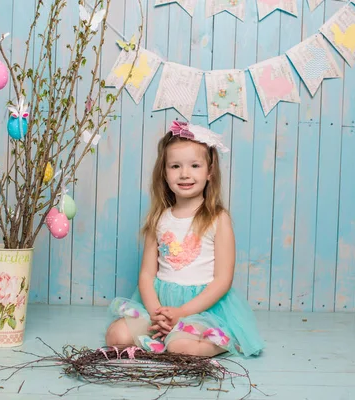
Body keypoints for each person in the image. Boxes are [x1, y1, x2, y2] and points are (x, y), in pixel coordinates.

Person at [105, 120, 264, 357]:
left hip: (201, 307)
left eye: (195, 166)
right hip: (161, 305)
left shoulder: (217, 219)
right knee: (116, 337)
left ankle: (219, 339)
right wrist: (157, 313)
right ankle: (164, 333)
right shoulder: (159, 218)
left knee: (181, 347)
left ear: (210, 172)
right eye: (175, 166)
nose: (185, 174)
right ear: (165, 172)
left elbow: (222, 280)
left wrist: (182, 312)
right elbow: (147, 275)